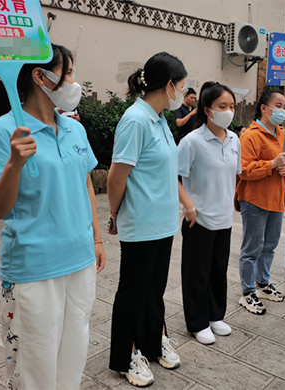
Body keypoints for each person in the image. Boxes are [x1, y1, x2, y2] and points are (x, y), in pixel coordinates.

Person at [0, 44, 106, 390]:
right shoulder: (2, 133)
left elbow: (86, 184)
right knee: (33, 368)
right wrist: (14, 165)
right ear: (41, 77)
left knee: (72, 357)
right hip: (33, 270)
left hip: (79, 263)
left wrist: (95, 237)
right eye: (70, 73)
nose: (75, 83)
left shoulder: (75, 129)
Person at [107, 52, 188, 387]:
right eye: (182, 86)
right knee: (134, 292)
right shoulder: (136, 120)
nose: (183, 92)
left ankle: (153, 342)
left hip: (163, 222)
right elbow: (115, 177)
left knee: (154, 290)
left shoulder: (158, 119)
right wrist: (114, 213)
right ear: (168, 85)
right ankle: (126, 356)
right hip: (141, 223)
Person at [178, 82, 241, 344]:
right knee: (197, 273)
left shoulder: (235, 139)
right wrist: (189, 207)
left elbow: (236, 175)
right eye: (222, 106)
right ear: (208, 109)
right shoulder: (191, 142)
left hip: (224, 219)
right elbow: (174, 179)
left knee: (218, 270)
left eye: (232, 106)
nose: (228, 111)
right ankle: (197, 321)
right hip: (199, 221)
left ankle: (215, 316)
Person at [236, 89, 285, 315]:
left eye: (284, 106)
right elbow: (244, 170)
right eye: (278, 105)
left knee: (270, 245)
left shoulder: (284, 134)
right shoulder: (251, 136)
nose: (282, 110)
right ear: (264, 108)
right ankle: (247, 292)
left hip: (277, 198)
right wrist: (272, 164)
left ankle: (262, 283)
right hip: (255, 199)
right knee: (252, 247)